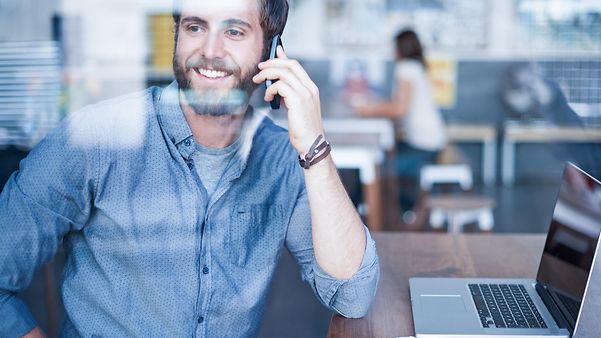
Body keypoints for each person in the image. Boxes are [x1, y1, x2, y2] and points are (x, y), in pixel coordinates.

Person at [0, 0, 380, 336]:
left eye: (234, 30)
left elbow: (353, 295)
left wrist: (315, 147)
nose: (210, 50)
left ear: (271, 50)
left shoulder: (283, 157)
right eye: (195, 27)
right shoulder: (94, 138)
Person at [356, 29, 446, 224]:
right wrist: (377, 107)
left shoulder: (406, 68)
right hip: (430, 138)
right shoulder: (415, 67)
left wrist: (367, 110)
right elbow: (398, 102)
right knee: (386, 157)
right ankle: (401, 210)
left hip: (425, 143)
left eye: (393, 46)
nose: (391, 50)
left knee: (384, 168)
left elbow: (399, 108)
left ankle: (396, 215)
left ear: (400, 48)